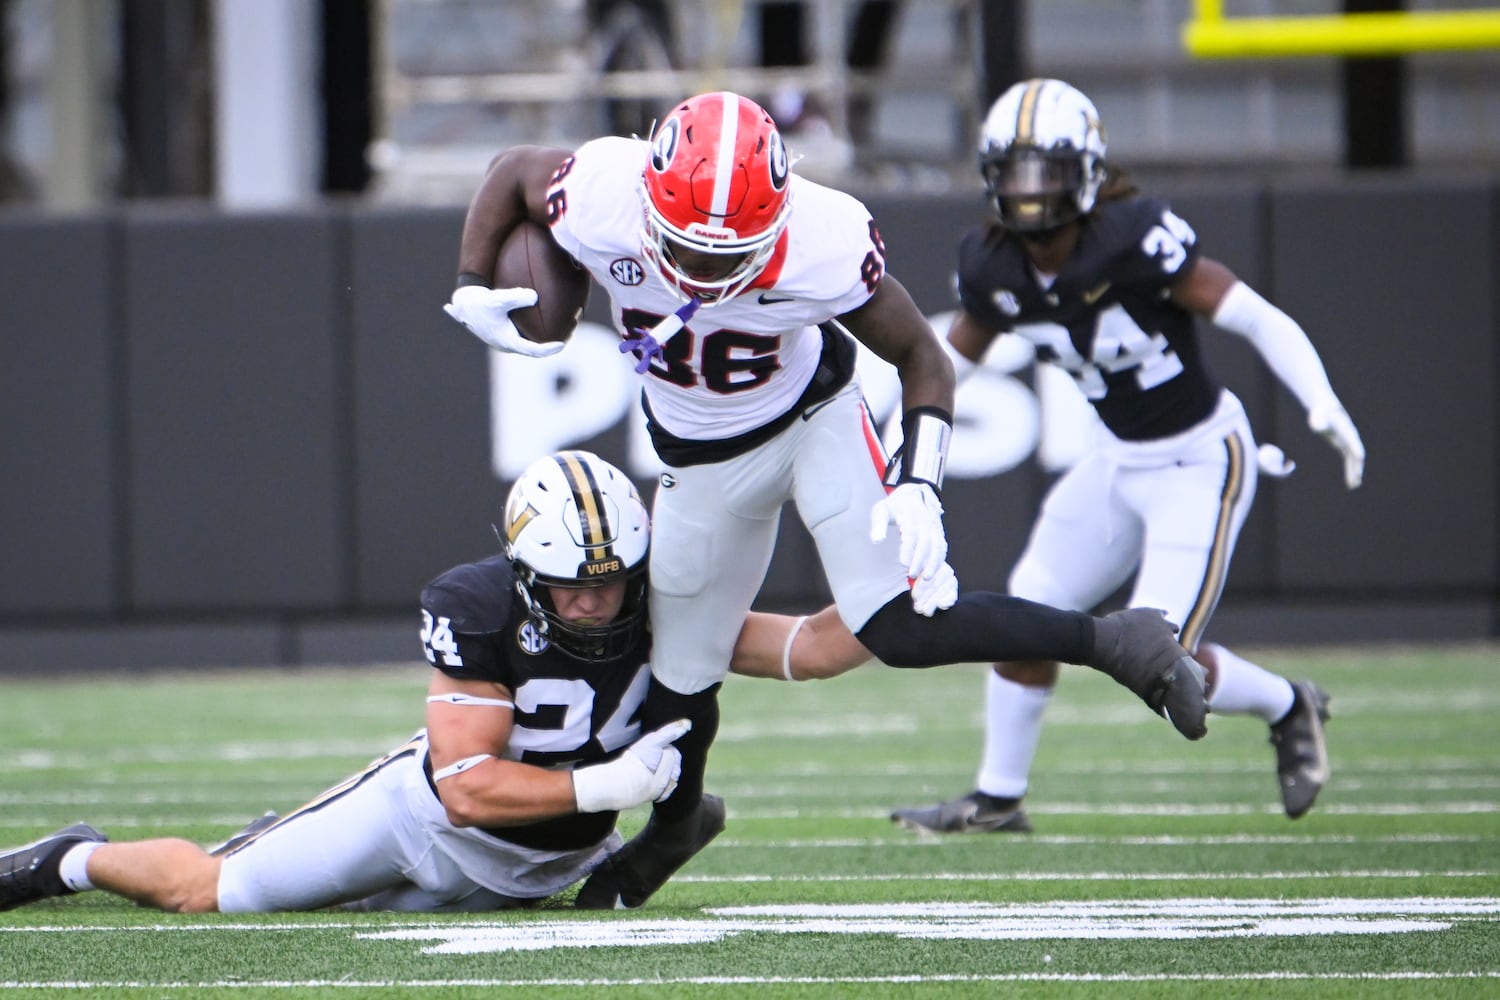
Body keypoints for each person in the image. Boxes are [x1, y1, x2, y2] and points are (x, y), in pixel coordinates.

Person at [440, 91, 1213, 910]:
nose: (703, 270)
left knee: (899, 626)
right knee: (677, 671)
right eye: (685, 249)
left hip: (815, 420)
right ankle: (674, 827)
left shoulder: (825, 238)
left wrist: (921, 482)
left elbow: (925, 358)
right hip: (698, 459)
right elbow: (508, 175)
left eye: (729, 250)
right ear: (648, 201)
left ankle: (1117, 640)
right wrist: (467, 282)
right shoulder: (602, 188)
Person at [2, 451, 807, 914]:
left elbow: (812, 647)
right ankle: (69, 859)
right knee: (212, 893)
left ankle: (274, 835)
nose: (597, 601)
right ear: (525, 575)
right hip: (426, 820)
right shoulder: (479, 604)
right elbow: (464, 787)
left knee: (350, 919)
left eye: (615, 580)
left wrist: (897, 606)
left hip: (544, 861)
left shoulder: (661, 601)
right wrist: (605, 786)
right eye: (570, 585)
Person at [879, 78, 1363, 834]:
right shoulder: (991, 262)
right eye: (1015, 172)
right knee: (1027, 611)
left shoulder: (1134, 236)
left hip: (1199, 458)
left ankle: (1288, 702)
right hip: (1113, 461)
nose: (1031, 192)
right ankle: (998, 799)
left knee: (1164, 659)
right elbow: (948, 360)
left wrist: (1320, 399)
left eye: (1048, 170)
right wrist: (884, 408)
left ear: (1090, 171)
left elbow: (1256, 318)